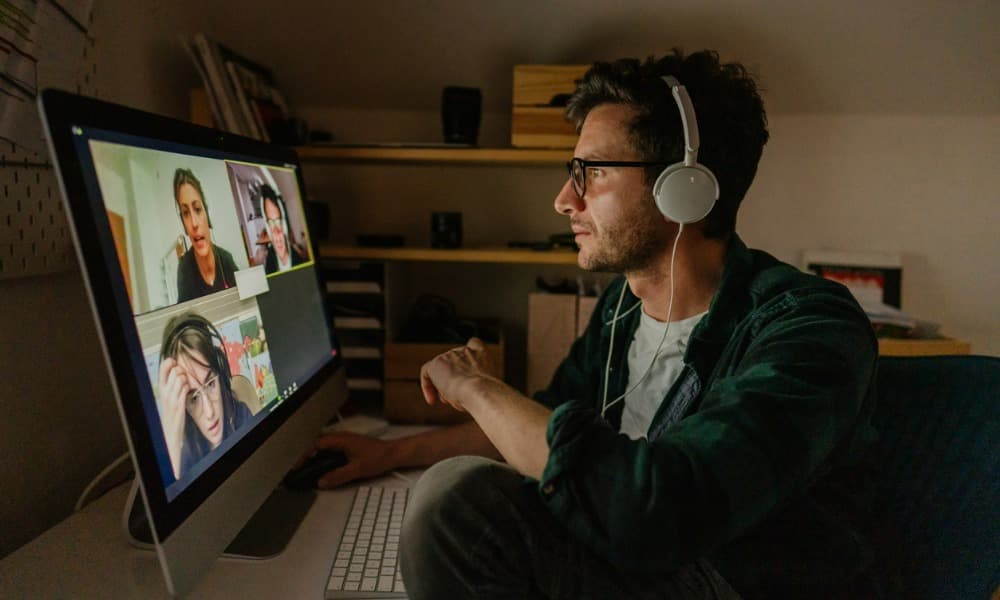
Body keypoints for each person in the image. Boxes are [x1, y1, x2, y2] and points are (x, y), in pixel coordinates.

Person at [313, 49, 881, 599]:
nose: (564, 200)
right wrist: (388, 454)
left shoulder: (808, 328)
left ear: (684, 189)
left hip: (725, 579)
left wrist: (480, 387)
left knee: (456, 506)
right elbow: (543, 433)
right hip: (628, 560)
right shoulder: (622, 309)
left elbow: (656, 511)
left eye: (594, 172)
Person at [158, 312, 252, 480]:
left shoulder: (241, 416)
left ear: (221, 374)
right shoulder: (182, 458)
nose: (209, 412)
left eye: (210, 384)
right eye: (194, 398)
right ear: (184, 407)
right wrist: (171, 445)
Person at [174, 168, 239, 301]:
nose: (194, 223)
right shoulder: (184, 269)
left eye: (197, 209)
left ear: (207, 215)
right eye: (186, 213)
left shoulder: (226, 260)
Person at [259, 183, 307, 274]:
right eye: (271, 223)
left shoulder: (300, 264)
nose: (277, 232)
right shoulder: (268, 263)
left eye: (279, 222)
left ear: (284, 224)